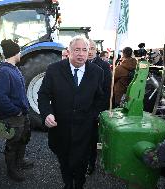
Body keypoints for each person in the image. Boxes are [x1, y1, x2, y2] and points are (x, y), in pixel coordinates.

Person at [38, 36, 105, 189]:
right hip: (60, 128)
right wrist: (47, 113)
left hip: (85, 130)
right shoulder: (54, 69)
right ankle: (68, 184)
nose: (81, 54)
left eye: (84, 50)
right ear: (69, 52)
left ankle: (79, 184)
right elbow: (43, 95)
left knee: (81, 162)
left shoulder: (97, 72)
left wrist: (93, 117)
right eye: (77, 50)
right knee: (64, 161)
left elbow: (99, 99)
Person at [0, 39, 33, 182]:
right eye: (19, 51)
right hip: (13, 115)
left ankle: (20, 161)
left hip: (22, 113)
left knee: (24, 137)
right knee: (13, 142)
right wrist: (15, 111)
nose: (21, 54)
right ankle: (11, 170)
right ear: (14, 53)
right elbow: (1, 97)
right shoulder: (4, 71)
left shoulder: (14, 69)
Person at [86, 39, 112, 175]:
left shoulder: (104, 66)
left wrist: (101, 111)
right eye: (87, 48)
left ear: (96, 50)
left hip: (95, 111)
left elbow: (107, 91)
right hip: (81, 110)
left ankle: (91, 163)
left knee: (93, 139)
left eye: (92, 48)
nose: (89, 51)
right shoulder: (79, 65)